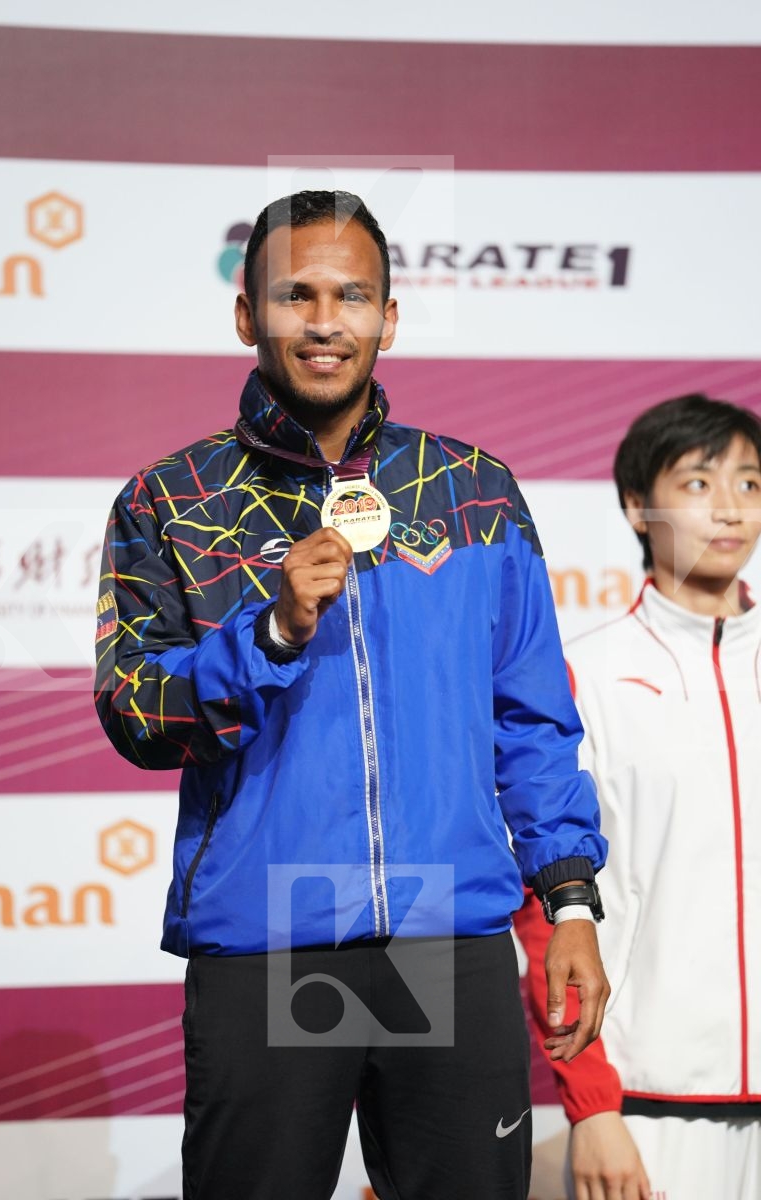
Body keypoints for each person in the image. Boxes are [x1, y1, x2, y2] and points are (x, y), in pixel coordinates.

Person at [94, 189, 609, 1200]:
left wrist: (572, 900)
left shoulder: (471, 490)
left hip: (446, 931)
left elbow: (532, 721)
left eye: (351, 295)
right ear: (247, 316)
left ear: (388, 317)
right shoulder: (174, 498)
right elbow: (137, 712)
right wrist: (271, 632)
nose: (324, 321)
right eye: (296, 296)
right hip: (272, 936)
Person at [515, 394, 761, 1200]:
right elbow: (544, 911)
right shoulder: (582, 680)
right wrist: (592, 1107)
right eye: (698, 483)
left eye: (751, 484)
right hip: (651, 1107)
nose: (731, 508)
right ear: (636, 504)